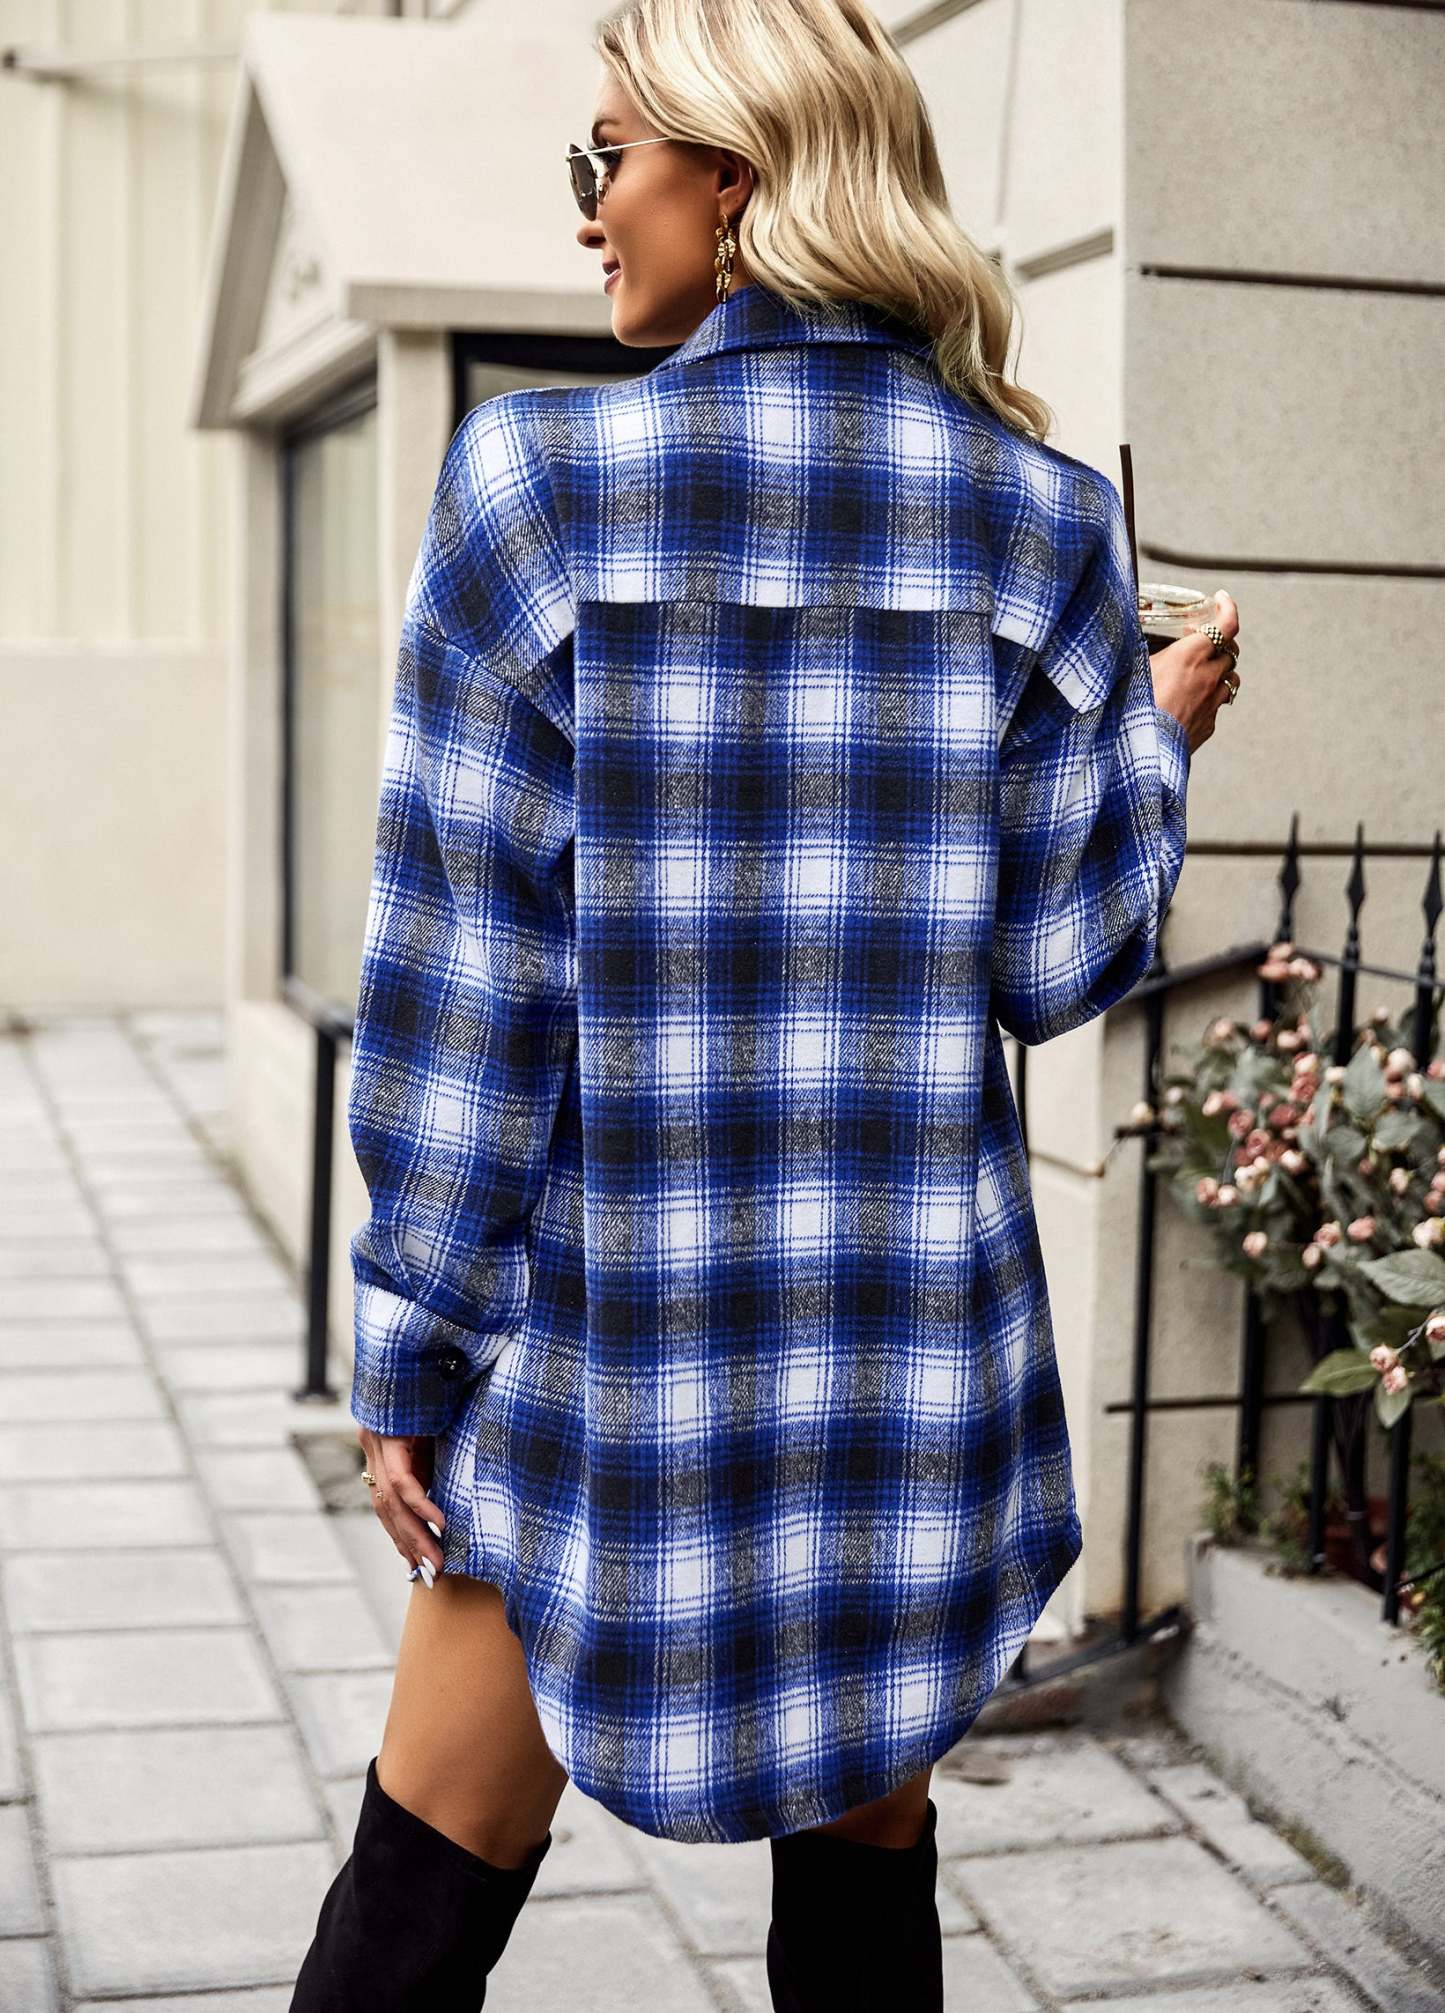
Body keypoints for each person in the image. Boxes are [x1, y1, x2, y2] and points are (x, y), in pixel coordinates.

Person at [288, 0, 1239, 2006]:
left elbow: (463, 981)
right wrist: (1149, 744)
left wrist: (413, 1341)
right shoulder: (1040, 515)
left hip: (600, 1357)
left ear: (731, 178)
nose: (585, 212)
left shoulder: (540, 484)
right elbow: (1042, 964)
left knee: (421, 1881)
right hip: (902, 1367)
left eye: (604, 157)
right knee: (868, 1888)